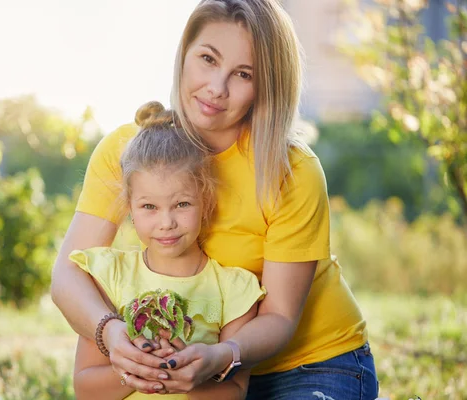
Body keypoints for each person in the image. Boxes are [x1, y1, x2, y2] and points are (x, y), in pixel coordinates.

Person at [52, 0, 379, 399]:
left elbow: (278, 316)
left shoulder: (291, 171)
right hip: (198, 376)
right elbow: (68, 275)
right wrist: (110, 332)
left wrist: (223, 356)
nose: (216, 88)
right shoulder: (131, 149)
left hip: (310, 364)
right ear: (184, 53)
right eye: (207, 59)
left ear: (267, 86)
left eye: (243, 74)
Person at [70, 102, 265, 399]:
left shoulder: (235, 291)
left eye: (182, 204)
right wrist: (139, 372)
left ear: (206, 202)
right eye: (149, 206)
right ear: (130, 208)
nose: (166, 223)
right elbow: (85, 388)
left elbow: (235, 392)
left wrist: (191, 375)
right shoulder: (111, 277)